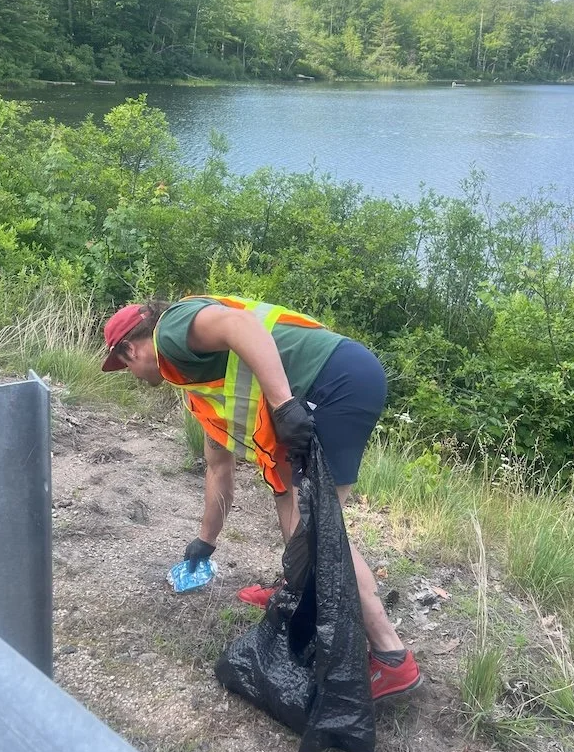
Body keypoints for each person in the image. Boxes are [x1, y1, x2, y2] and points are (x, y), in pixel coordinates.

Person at [101, 294, 422, 701]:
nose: (130, 375)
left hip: (332, 382)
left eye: (124, 364)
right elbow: (219, 469)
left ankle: (392, 656)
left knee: (319, 530)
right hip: (338, 378)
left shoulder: (172, 332)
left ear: (130, 347)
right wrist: (206, 541)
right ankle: (295, 584)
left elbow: (243, 327)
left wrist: (284, 405)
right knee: (289, 501)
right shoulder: (198, 389)